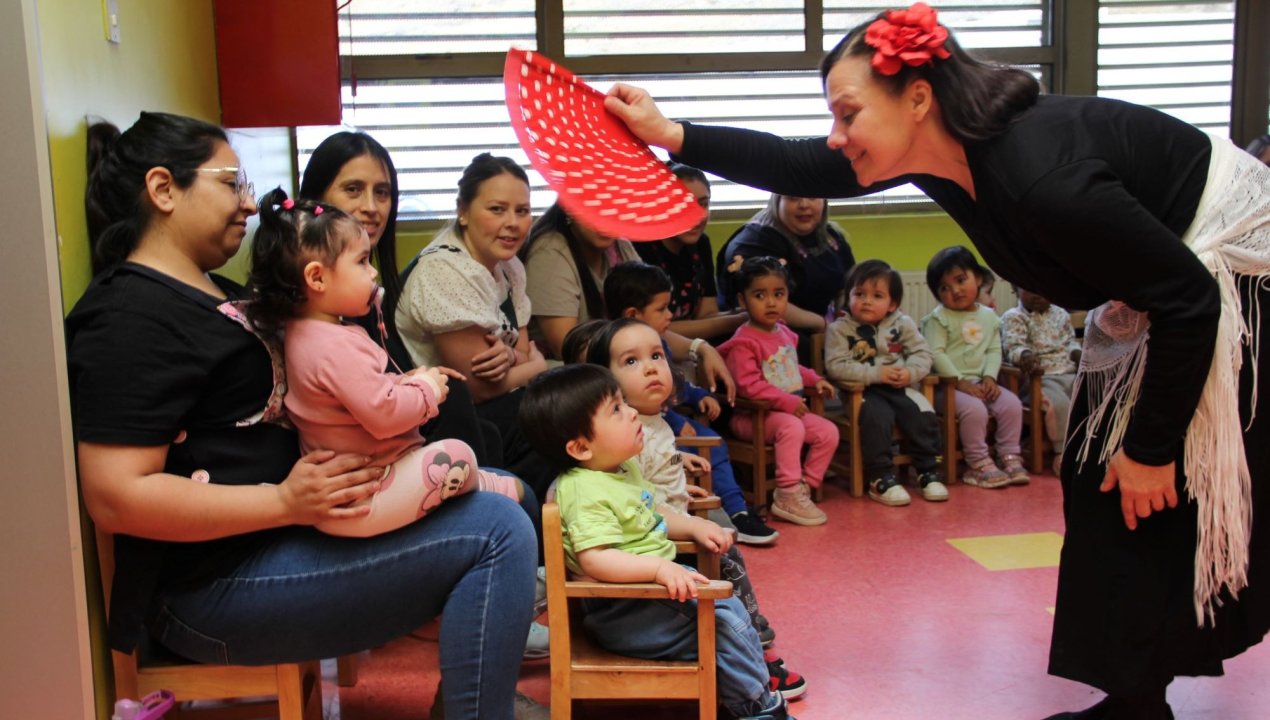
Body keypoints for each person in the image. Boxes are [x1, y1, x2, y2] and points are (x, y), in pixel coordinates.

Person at [603, 3, 1269, 714]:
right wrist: (670, 134)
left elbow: (1191, 301)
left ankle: (1145, 690)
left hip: (1232, 287)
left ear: (917, 99)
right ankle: (1137, 696)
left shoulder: (1040, 176)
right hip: (1177, 294)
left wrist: (1152, 450)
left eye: (849, 114)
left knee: (1150, 480)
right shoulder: (949, 157)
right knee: (1096, 476)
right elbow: (798, 160)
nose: (837, 135)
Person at [70, 112, 536, 719]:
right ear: (163, 190)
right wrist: (285, 502)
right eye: (231, 183)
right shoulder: (128, 318)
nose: (247, 202)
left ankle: (477, 701)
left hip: (286, 538)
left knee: (510, 493)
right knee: (499, 531)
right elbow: (115, 497)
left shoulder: (213, 291)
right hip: (212, 589)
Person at [518, 364, 795, 720]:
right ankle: (758, 709)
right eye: (616, 409)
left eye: (624, 402)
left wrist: (693, 526)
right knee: (725, 621)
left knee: (727, 594)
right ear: (581, 447)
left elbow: (655, 509)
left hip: (651, 602)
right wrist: (659, 568)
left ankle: (744, 689)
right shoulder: (584, 490)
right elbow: (596, 559)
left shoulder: (621, 469)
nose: (632, 412)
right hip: (625, 611)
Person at [245, 189, 522, 537]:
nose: (373, 273)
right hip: (366, 497)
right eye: (362, 262)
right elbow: (384, 415)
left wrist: (404, 381)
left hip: (369, 483)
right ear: (317, 278)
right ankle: (480, 485)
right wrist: (426, 390)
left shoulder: (314, 333)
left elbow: (362, 394)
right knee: (457, 454)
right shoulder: (331, 346)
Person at [584, 318, 806, 697]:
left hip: (671, 526)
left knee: (725, 551)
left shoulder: (652, 422)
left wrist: (679, 476)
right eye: (631, 361)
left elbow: (650, 476)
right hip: (656, 546)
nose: (651, 368)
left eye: (657, 356)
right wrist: (688, 523)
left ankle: (750, 643)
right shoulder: (624, 436)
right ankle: (752, 648)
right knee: (727, 557)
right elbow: (635, 502)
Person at [298, 131, 496, 461]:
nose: (371, 207)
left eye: (382, 193)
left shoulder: (369, 294)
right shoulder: (311, 309)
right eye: (353, 189)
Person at [395, 153, 556, 500]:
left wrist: (513, 358)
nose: (512, 223)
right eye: (497, 209)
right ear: (463, 211)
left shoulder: (509, 267)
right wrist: (535, 365)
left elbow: (520, 352)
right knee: (556, 413)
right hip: (441, 419)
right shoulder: (444, 270)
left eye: (522, 211)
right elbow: (479, 388)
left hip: (491, 405)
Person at [603, 261, 779, 544]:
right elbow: (642, 405)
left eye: (656, 357)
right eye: (662, 309)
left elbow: (673, 384)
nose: (670, 315)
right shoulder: (615, 353)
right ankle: (732, 514)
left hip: (668, 456)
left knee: (712, 445)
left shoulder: (660, 343)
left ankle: (735, 510)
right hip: (651, 516)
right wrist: (675, 421)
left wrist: (698, 397)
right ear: (633, 314)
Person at [521, 200, 740, 402]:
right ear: (571, 207)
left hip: (619, 359)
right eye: (596, 209)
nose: (606, 221)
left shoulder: (619, 245)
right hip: (571, 374)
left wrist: (700, 348)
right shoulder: (550, 253)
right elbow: (569, 348)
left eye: (614, 209)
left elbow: (647, 325)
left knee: (683, 369)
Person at [718, 257, 839, 526]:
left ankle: (803, 487)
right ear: (743, 300)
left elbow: (792, 367)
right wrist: (786, 402)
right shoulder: (744, 342)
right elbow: (748, 386)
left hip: (785, 414)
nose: (771, 303)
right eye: (760, 295)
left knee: (828, 432)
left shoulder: (784, 332)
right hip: (752, 418)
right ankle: (787, 492)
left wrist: (815, 379)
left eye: (779, 294)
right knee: (791, 427)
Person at [823, 259, 946, 506]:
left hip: (900, 388)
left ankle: (927, 471)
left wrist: (910, 373)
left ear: (892, 304)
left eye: (877, 296)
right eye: (859, 294)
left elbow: (923, 354)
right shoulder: (839, 329)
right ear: (848, 296)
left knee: (923, 412)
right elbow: (835, 367)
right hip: (863, 392)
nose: (866, 301)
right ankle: (880, 477)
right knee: (878, 417)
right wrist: (877, 374)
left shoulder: (903, 323)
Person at [922, 246, 1029, 488]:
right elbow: (936, 353)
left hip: (981, 384)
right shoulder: (938, 319)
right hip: (946, 388)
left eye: (960, 280)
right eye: (944, 288)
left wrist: (990, 377)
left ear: (978, 278)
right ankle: (977, 462)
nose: (955, 290)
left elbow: (993, 350)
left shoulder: (989, 317)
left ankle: (1009, 455)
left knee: (1012, 404)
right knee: (975, 410)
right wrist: (959, 381)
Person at [634, 163, 747, 343]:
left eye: (703, 204)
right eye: (683, 204)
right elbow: (656, 329)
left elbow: (707, 314)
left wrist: (745, 313)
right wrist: (735, 321)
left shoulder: (701, 243)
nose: (696, 216)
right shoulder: (640, 248)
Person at [717, 193, 855, 339]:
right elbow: (766, 302)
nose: (804, 205)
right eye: (793, 197)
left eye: (812, 196)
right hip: (765, 334)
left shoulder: (832, 236)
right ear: (777, 201)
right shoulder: (754, 241)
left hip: (820, 330)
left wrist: (843, 320)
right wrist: (822, 324)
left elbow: (846, 288)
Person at [1001, 285, 1081, 476]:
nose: (1038, 294)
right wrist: (1025, 355)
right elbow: (1013, 347)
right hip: (1039, 378)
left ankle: (1085, 446)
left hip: (1069, 372)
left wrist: (1078, 353)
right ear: (1015, 289)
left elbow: (1070, 342)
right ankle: (1062, 451)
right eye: (1029, 288)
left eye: (1042, 287)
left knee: (1088, 397)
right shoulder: (1014, 317)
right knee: (1060, 404)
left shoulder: (1060, 314)